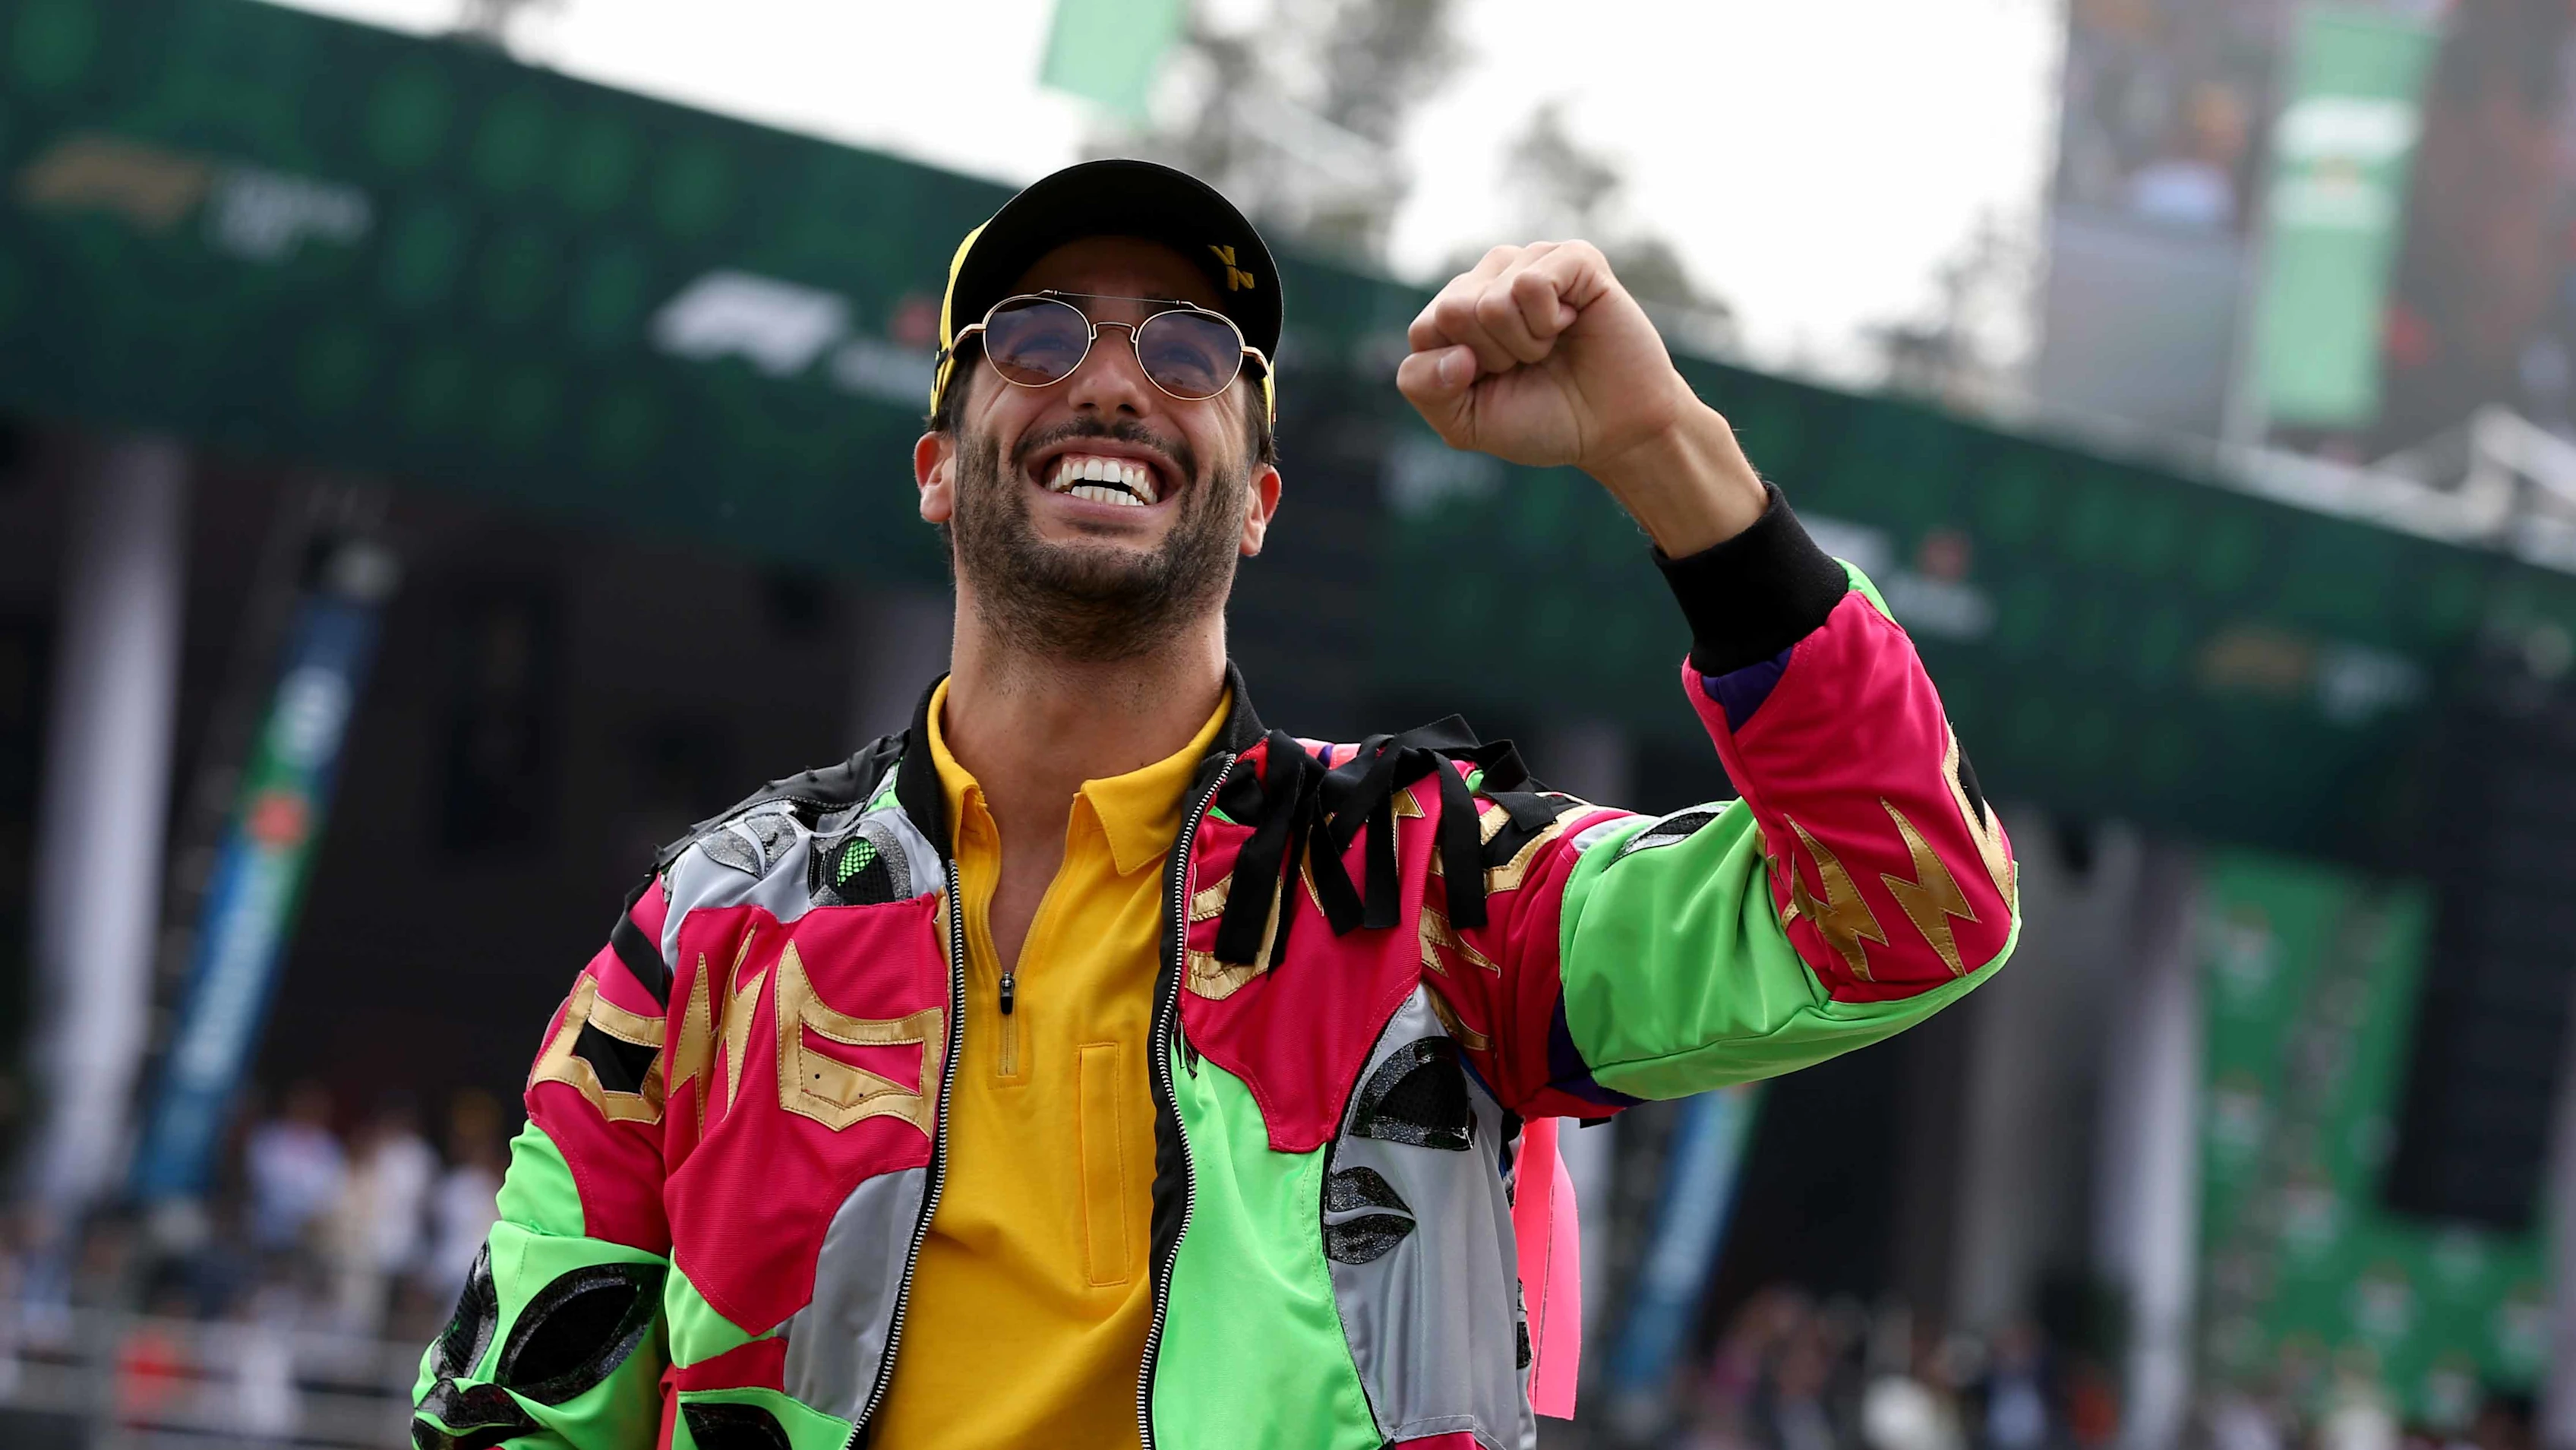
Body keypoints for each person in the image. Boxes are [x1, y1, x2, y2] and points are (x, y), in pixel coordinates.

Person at [409, 159, 2021, 1450]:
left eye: (1187, 352)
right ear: (938, 462)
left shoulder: (1427, 889)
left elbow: (1915, 910)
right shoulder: (713, 929)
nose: (1114, 383)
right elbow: (511, 1413)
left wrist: (1664, 449)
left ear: (1255, 502)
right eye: (1039, 335)